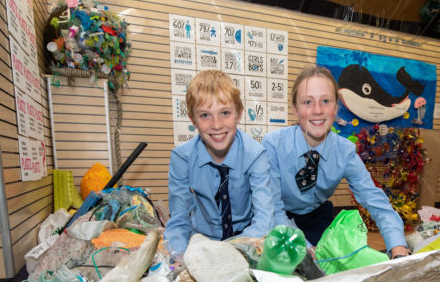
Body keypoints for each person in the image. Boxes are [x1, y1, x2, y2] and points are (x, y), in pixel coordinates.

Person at [262, 66, 409, 259]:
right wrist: (304, 249)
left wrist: (398, 247)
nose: (317, 110)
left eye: (326, 101)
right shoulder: (273, 144)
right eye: (308, 102)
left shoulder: (345, 151)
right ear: (295, 109)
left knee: (334, 267)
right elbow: (272, 208)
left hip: (317, 218)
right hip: (278, 218)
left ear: (336, 108)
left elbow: (374, 200)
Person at [164, 70, 274, 259]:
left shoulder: (255, 155)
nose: (216, 125)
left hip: (246, 241)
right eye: (205, 115)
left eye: (225, 113)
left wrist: (233, 254)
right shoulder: (182, 157)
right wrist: (178, 255)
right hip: (202, 242)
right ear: (192, 119)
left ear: (239, 113)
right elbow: (179, 219)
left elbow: (264, 218)